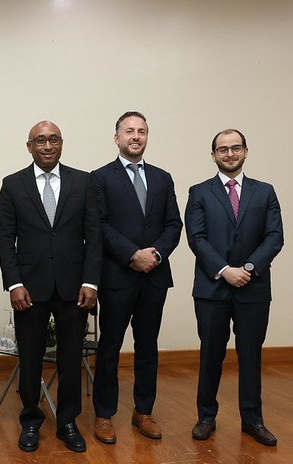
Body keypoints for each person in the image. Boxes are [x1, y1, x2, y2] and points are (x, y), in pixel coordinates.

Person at [0, 121, 101, 453]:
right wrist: (14, 283)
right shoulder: (12, 184)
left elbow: (94, 236)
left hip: (74, 286)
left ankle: (67, 422)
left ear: (61, 144)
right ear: (29, 146)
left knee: (71, 358)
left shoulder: (83, 182)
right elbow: (5, 239)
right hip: (29, 287)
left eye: (53, 139)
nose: (47, 146)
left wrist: (90, 281)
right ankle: (30, 421)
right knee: (30, 358)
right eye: (40, 140)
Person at [185, 129, 284, 446]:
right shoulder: (199, 192)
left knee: (251, 355)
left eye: (235, 148)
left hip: (253, 288)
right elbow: (196, 238)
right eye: (223, 149)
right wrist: (225, 271)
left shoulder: (265, 192)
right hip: (212, 289)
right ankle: (206, 417)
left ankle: (253, 420)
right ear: (213, 155)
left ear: (246, 151)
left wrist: (249, 269)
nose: (230, 154)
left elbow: (275, 237)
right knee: (210, 355)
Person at [90, 112, 182, 444]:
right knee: (110, 347)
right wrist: (132, 254)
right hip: (118, 276)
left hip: (154, 277)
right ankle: (104, 414)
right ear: (117, 138)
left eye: (141, 131)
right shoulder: (100, 178)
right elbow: (99, 226)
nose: (136, 136)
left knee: (147, 347)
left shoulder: (162, 178)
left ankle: (143, 411)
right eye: (129, 131)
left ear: (147, 137)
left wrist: (155, 254)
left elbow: (174, 224)